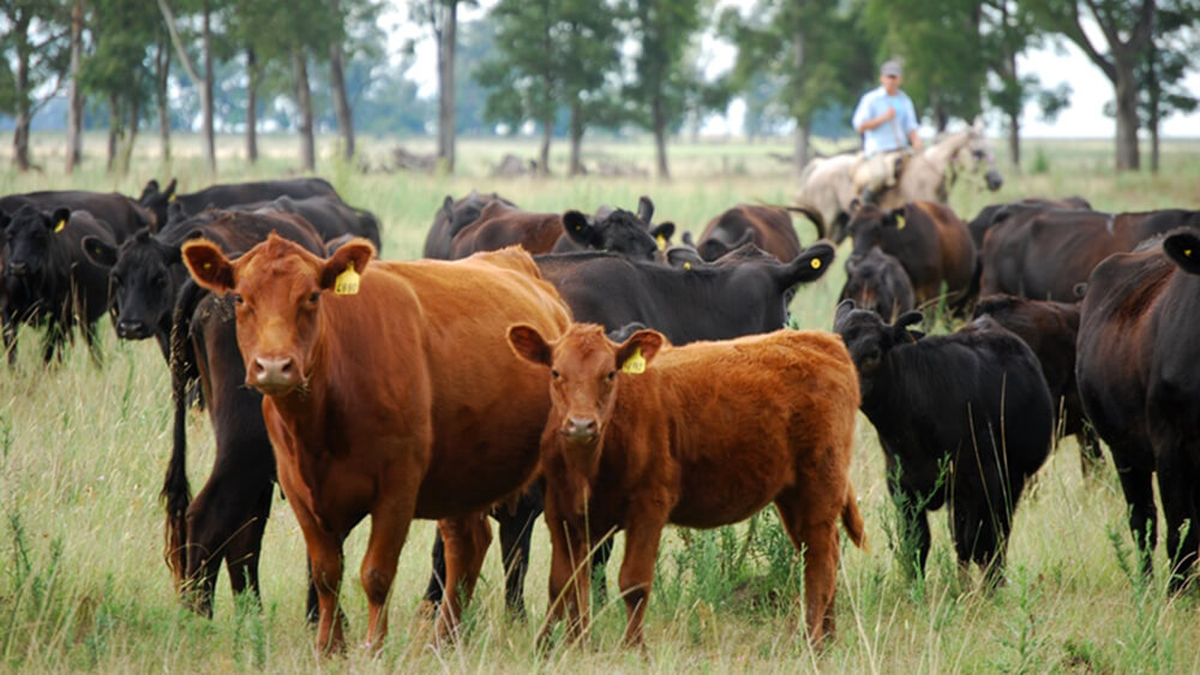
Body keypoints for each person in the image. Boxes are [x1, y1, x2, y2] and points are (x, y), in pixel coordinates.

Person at [851, 60, 921, 204]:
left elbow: (911, 127)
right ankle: (866, 204)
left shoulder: (904, 100)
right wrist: (883, 118)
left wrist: (917, 143)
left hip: (901, 149)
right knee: (880, 176)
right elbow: (860, 125)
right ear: (882, 78)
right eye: (888, 76)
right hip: (878, 151)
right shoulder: (871, 99)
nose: (891, 80)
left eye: (894, 77)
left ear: (900, 79)